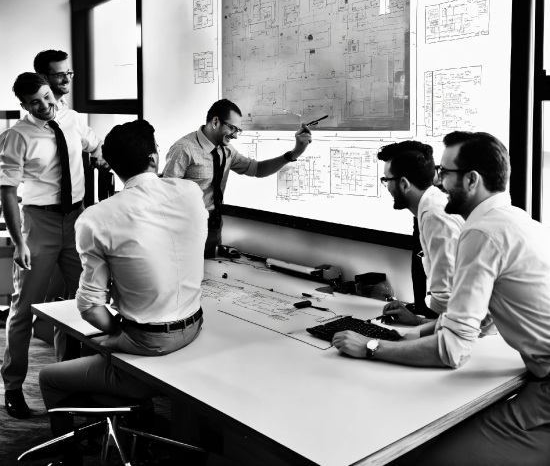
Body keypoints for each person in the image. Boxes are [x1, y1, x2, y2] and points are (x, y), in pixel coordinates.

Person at [333, 131, 550, 466]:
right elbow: (482, 318)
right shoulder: (517, 221)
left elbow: (453, 351)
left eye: (444, 173)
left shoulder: (481, 233)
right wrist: (419, 330)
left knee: (426, 455)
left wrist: (371, 347)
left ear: (472, 179)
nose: (437, 181)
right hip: (538, 375)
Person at [39, 120, 207, 463]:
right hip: (195, 329)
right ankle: (136, 432)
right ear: (154, 157)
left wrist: (117, 332)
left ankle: (69, 457)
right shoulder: (190, 192)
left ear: (112, 167)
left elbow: (89, 307)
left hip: (149, 343)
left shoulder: (97, 218)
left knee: (50, 375)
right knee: (90, 344)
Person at [1, 73, 106, 419]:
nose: (46, 106)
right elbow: (7, 192)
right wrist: (19, 243)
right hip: (39, 224)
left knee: (83, 303)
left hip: (76, 220)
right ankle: (13, 387)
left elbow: (97, 148)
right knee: (23, 308)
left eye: (48, 97)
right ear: (24, 105)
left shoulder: (73, 118)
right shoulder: (16, 136)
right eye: (36, 103)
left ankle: (70, 377)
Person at [163, 98, 312, 256]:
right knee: (189, 276)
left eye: (238, 130)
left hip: (214, 225)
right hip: (186, 229)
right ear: (215, 122)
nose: (235, 136)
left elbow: (257, 169)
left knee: (211, 274)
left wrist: (294, 153)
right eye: (233, 128)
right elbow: (164, 196)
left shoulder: (227, 151)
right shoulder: (183, 149)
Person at [377, 141, 463, 324]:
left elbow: (447, 301)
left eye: (386, 180)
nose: (387, 187)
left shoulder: (435, 215)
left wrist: (417, 323)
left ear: (404, 183)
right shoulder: (431, 207)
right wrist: (415, 319)